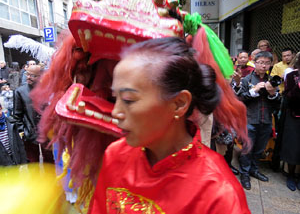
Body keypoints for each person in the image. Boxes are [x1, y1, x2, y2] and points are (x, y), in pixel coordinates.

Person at [88, 37, 250, 214]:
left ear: (179, 103)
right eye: (114, 98)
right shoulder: (115, 155)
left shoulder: (219, 192)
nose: (115, 112)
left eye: (128, 100)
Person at [236, 51, 281, 190]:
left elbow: (277, 105)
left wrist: (272, 93)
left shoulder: (273, 80)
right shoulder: (246, 80)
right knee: (247, 148)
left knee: (259, 148)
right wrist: (254, 90)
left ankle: (254, 170)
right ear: (254, 63)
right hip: (250, 119)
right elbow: (240, 99)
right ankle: (245, 173)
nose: (264, 66)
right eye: (261, 62)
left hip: (266, 120)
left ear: (271, 64)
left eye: (267, 63)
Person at [13, 64, 53, 163]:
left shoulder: (48, 90)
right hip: (29, 134)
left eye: (33, 75)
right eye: (27, 74)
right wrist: (22, 131)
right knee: (32, 162)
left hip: (46, 133)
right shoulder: (20, 91)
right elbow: (17, 115)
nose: (28, 77)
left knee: (49, 161)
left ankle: (49, 178)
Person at [279, 52, 300, 191]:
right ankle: (290, 175)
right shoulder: (292, 75)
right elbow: (287, 95)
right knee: (293, 147)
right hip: (294, 115)